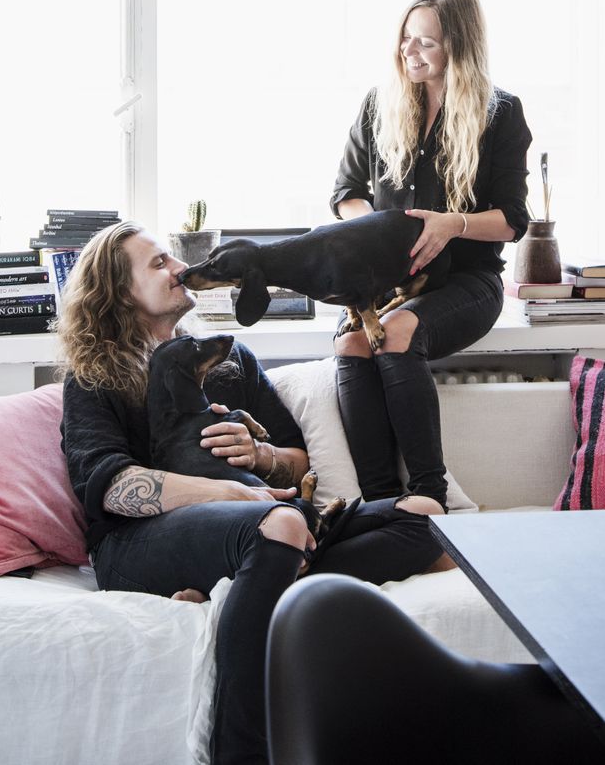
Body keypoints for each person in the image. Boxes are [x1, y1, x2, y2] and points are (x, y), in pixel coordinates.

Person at [56, 220, 446, 765]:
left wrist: (262, 458)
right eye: (160, 263)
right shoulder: (94, 375)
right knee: (282, 524)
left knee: (425, 515)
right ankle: (238, 750)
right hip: (137, 543)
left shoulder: (231, 359)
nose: (180, 269)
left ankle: (258, 583)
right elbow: (112, 487)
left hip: (260, 526)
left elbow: (298, 461)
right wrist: (233, 495)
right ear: (120, 292)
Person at [331, 0, 532, 509]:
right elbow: (345, 193)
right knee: (351, 344)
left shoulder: (501, 112)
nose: (409, 50)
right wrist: (376, 232)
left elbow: (513, 221)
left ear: (458, 48)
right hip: (388, 282)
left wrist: (451, 225)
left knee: (397, 333)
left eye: (426, 42)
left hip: (467, 282)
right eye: (406, 38)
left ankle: (428, 497)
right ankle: (379, 502)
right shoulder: (378, 104)